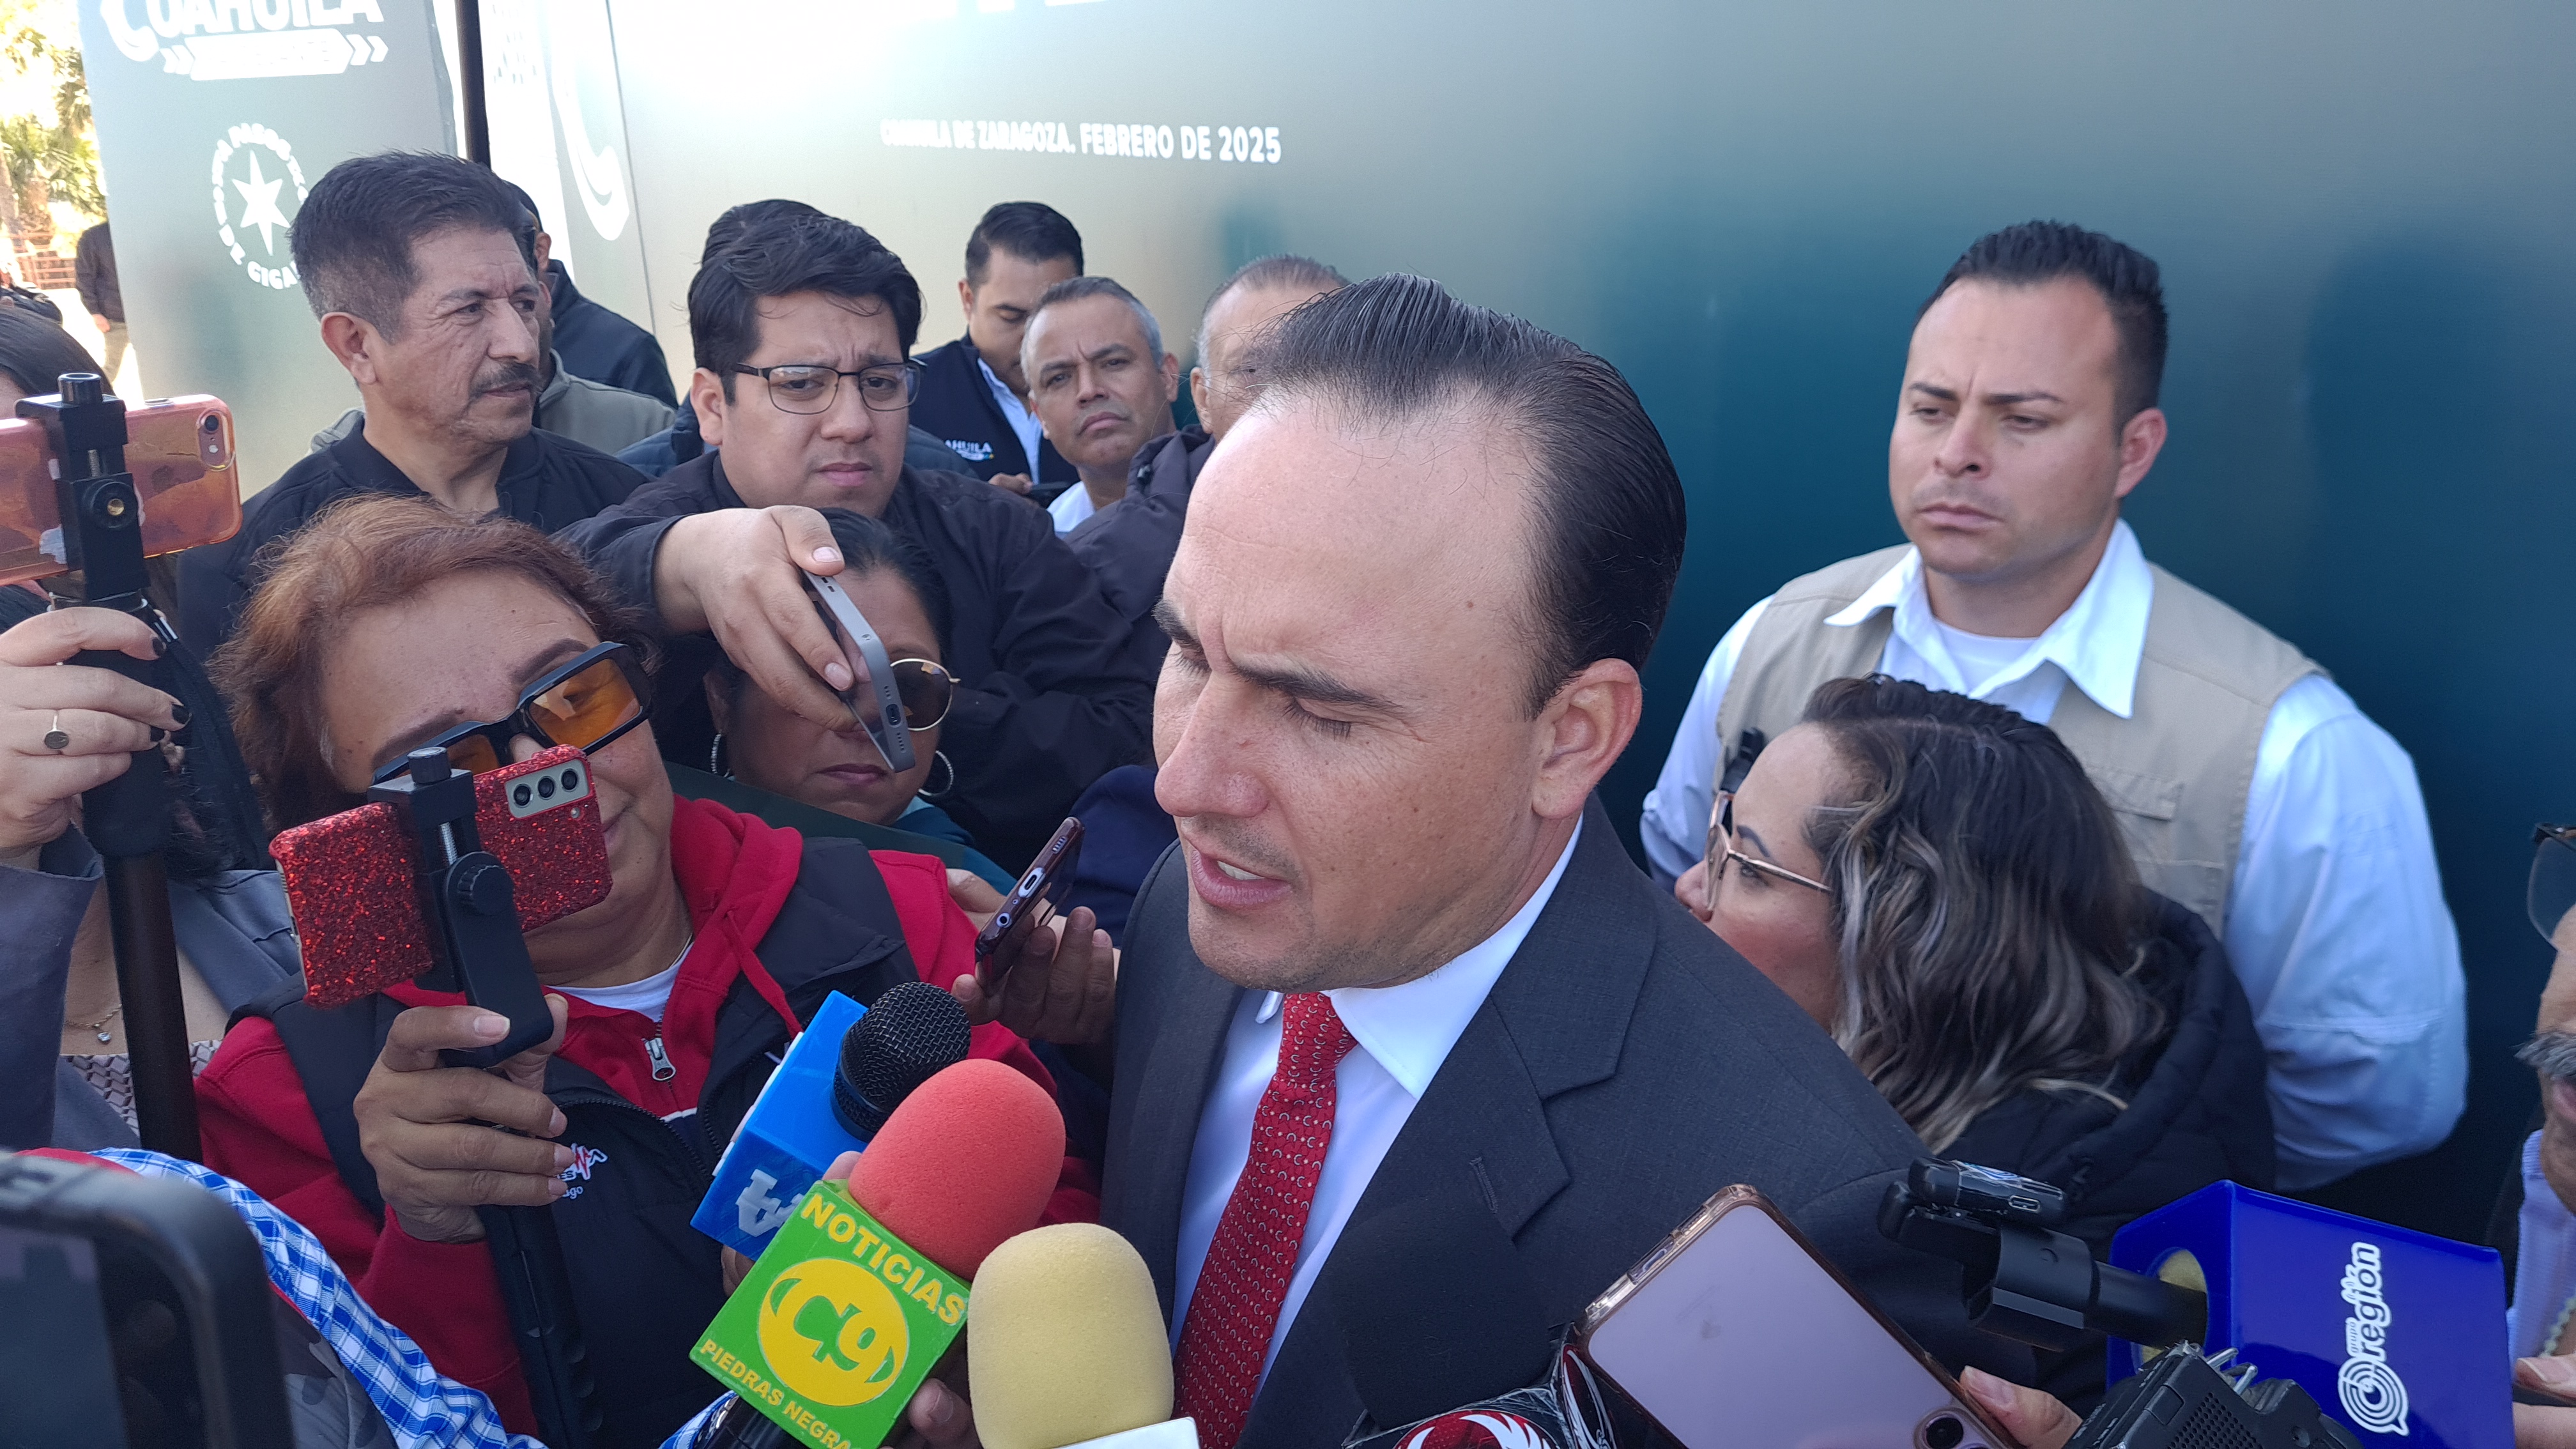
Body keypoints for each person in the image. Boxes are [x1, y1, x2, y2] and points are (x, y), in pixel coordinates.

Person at [1085, 273, 2017, 1449]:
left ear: (1570, 736)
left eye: (1318, 711)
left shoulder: (1796, 1219)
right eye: (1186, 652)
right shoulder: (1193, 903)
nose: (1185, 783)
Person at [195, 495, 1109, 1446]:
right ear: (349, 843)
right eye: (451, 768)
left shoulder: (898, 912)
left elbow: (1065, 1229)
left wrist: (963, 1348)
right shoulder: (286, 1094)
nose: (552, 774)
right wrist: (434, 1238)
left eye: (577, 698)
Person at [1637, 219, 2465, 1190]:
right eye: (1930, 407)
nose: (1958, 453)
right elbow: (1673, 888)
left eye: (2022, 420)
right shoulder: (1771, 640)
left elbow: (2379, 1094)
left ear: (2133, 450)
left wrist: (2118, 1182)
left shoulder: (2287, 748)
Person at [558, 210, 1154, 868]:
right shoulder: (660, 526)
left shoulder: (993, 530)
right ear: (712, 405)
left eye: (880, 382)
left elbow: (1128, 725)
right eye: (801, 384)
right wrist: (683, 566)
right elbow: (557, 603)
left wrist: (917, 706)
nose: (852, 422)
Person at [1678, 675, 2271, 1253]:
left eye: (1747, 867)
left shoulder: (2048, 1260)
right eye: (1719, 831)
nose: (1690, 886)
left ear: (1905, 944)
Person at [177, 152, 643, 651]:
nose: (521, 346)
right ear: (357, 345)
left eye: (524, 304)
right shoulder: (248, 568)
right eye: (469, 310)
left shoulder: (621, 504)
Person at [703, 506, 1009, 888]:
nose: (868, 721)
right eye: (821, 678)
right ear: (722, 701)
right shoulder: (658, 873)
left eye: (907, 685)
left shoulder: (984, 899)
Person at [1069, 254, 1347, 672]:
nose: (1286, 395)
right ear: (1203, 399)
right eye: (1251, 370)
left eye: (1322, 365)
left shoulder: (1432, 538)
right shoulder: (1092, 572)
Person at [910, 201, 1083, 494]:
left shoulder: (1109, 390)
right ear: (968, 299)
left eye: (1050, 318)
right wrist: (972, 510)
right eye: (1011, 317)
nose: (1032, 340)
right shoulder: (910, 394)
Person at [1021, 276, 1178, 533]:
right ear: (1040, 416)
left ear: (1167, 377)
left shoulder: (1238, 490)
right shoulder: (1048, 541)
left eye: (1113, 363)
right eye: (1059, 378)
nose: (1089, 390)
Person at [73, 219, 123, 381]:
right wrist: (95, 312)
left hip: (149, 317)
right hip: (115, 317)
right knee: (111, 369)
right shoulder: (94, 237)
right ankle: (99, 396)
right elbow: (84, 276)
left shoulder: (145, 230)